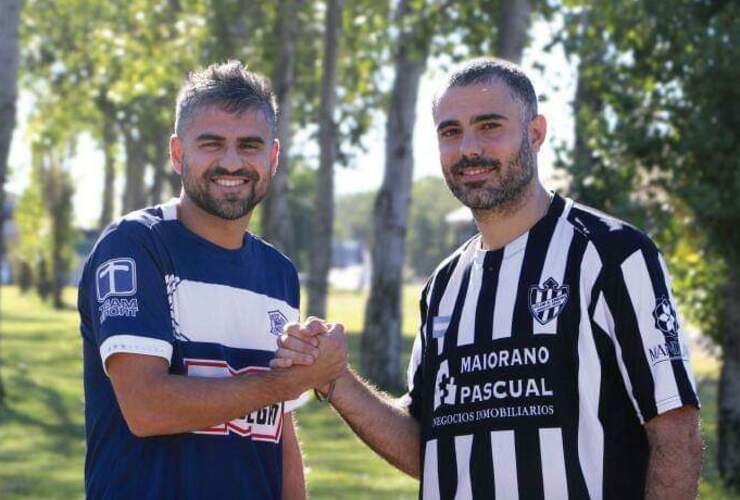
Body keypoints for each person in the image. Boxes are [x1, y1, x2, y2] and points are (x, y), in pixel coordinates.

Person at [274, 58, 703, 499]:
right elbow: (430, 451)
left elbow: (676, 430)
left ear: (535, 134)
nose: (468, 149)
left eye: (489, 126)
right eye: (450, 132)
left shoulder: (612, 254)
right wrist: (335, 379)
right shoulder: (443, 287)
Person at [77, 60, 346, 499]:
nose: (232, 162)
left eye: (250, 145)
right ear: (178, 152)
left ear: (273, 157)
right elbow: (146, 408)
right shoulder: (135, 245)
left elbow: (277, 427)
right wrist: (289, 382)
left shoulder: (278, 273)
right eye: (212, 143)